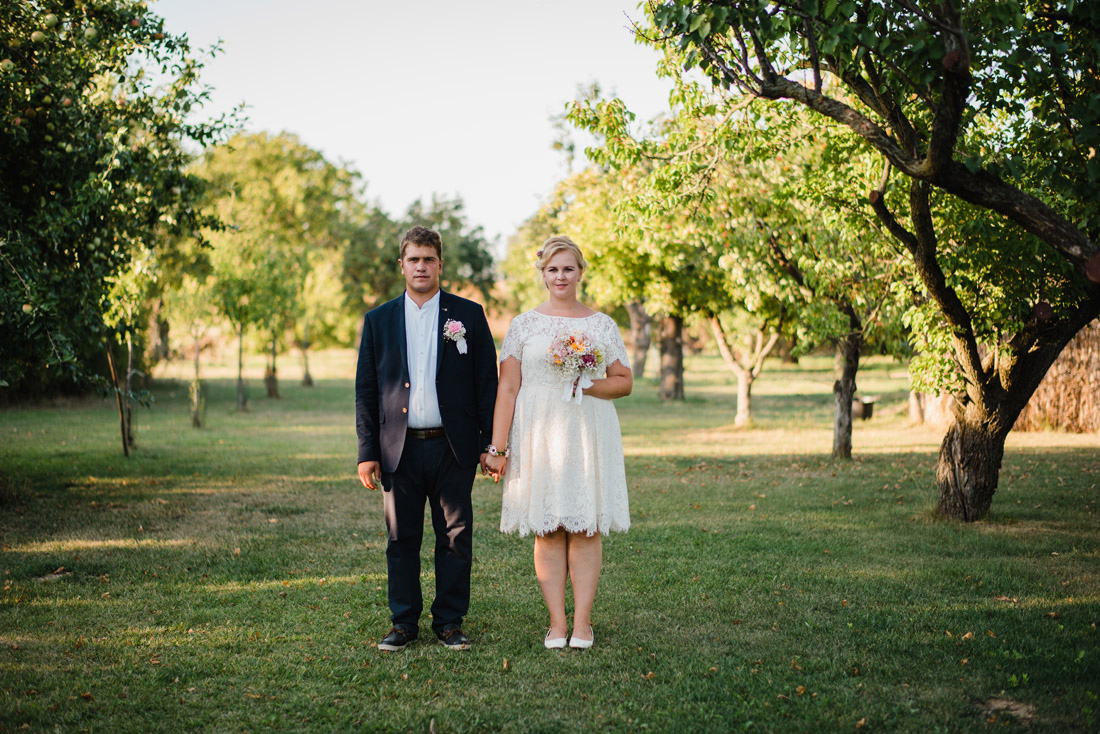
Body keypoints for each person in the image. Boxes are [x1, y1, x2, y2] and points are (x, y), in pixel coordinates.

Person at [485, 235, 632, 650]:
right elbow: (508, 388)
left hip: (586, 432)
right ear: (542, 274)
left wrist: (588, 382)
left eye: (568, 268)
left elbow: (624, 382)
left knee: (584, 527)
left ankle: (583, 623)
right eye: (553, 269)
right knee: (548, 529)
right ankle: (556, 623)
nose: (560, 276)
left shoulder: (601, 325)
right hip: (538, 434)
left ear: (580, 272)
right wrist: (497, 449)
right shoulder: (523, 325)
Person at [355, 226, 498, 651]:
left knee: (455, 537)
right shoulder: (378, 320)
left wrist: (490, 445)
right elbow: (366, 389)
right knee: (401, 539)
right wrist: (367, 452)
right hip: (397, 448)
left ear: (440, 264)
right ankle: (403, 623)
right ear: (402, 265)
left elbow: (487, 383)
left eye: (429, 259)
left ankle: (450, 623)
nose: (421, 266)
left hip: (454, 447)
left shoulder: (467, 316)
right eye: (413, 259)